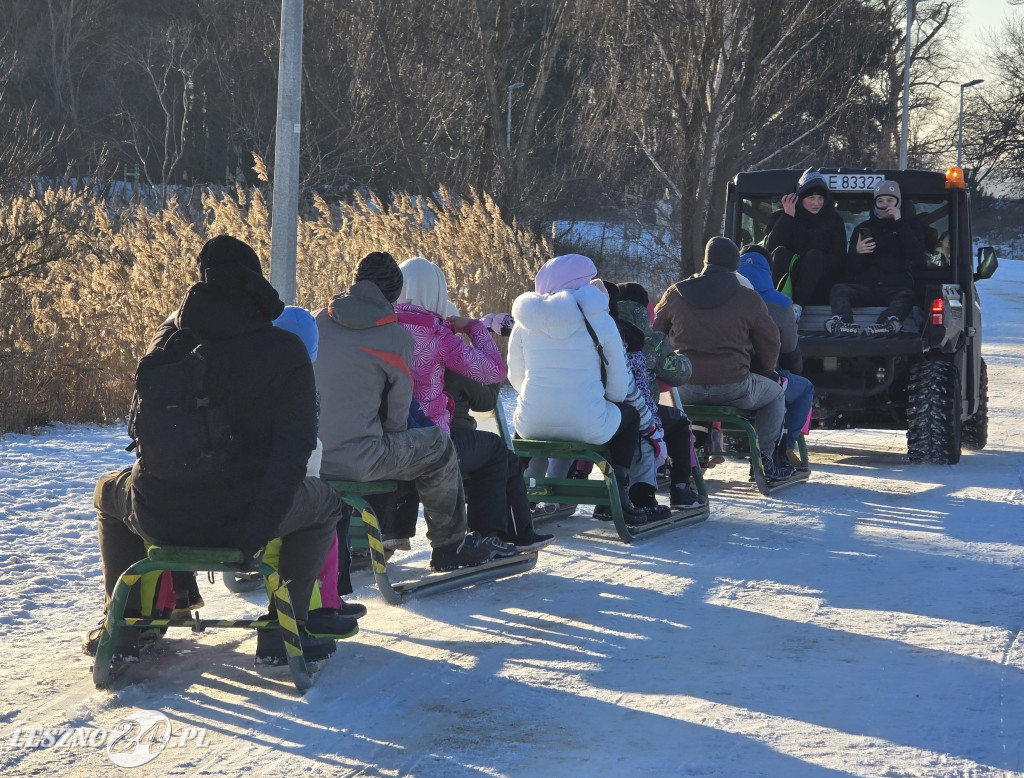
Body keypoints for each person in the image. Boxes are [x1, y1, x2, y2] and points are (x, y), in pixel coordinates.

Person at [85, 235, 356, 666]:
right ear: (257, 284)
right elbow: (296, 446)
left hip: (162, 516)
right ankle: (286, 628)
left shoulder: (169, 346)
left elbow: (144, 434)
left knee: (106, 491)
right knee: (325, 505)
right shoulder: (285, 351)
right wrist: (257, 526)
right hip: (246, 518)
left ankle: (126, 625)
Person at [313, 250, 506, 571]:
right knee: (439, 447)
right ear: (393, 293)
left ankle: (384, 530)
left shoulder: (319, 318)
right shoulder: (394, 337)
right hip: (360, 459)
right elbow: (396, 419)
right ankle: (450, 544)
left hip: (316, 454)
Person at [507, 254, 647, 524]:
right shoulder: (599, 319)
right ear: (581, 283)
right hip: (589, 423)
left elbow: (515, 376)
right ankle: (618, 492)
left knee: (523, 427)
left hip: (532, 424)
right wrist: (608, 402)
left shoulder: (525, 324)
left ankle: (515, 495)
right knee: (630, 417)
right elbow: (617, 382)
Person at [653, 237, 795, 482]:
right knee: (776, 393)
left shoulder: (675, 293)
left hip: (685, 387)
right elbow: (771, 342)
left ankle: (667, 460)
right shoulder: (747, 298)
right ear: (735, 265)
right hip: (734, 386)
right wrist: (762, 370)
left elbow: (655, 335)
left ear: (706, 262)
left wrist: (667, 368)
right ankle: (764, 461)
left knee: (663, 400)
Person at [445, 369, 556, 551]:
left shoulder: (412, 359)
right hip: (448, 441)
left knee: (492, 454)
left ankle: (394, 532)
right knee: (499, 454)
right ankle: (498, 534)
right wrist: (493, 374)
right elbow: (485, 402)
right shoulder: (452, 364)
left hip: (411, 440)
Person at [616, 282, 705, 508]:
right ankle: (681, 489)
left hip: (608, 412)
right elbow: (678, 374)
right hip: (641, 412)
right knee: (678, 421)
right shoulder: (652, 341)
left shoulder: (604, 331)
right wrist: (682, 359)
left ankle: (612, 496)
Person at [738, 247, 814, 472]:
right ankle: (784, 448)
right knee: (803, 388)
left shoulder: (724, 297)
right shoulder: (779, 302)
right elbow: (790, 348)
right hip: (760, 379)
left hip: (711, 377)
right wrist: (796, 371)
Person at [826, 179, 927, 337]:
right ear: (874, 203)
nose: (885, 204)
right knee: (839, 289)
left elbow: (917, 255)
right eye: (880, 200)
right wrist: (857, 252)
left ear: (898, 202)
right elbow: (850, 270)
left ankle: (888, 323)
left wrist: (899, 223)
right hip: (867, 287)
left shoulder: (911, 226)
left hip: (896, 287)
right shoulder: (863, 229)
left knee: (907, 295)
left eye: (890, 200)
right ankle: (842, 322)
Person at [764, 169, 849, 318]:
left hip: (818, 286)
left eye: (820, 198)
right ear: (800, 197)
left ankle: (797, 308)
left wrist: (814, 263)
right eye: (811, 197)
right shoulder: (780, 216)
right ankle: (774, 306)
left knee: (814, 256)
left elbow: (839, 259)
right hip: (784, 283)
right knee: (780, 252)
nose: (816, 203)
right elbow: (769, 250)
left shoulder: (834, 221)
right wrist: (788, 216)